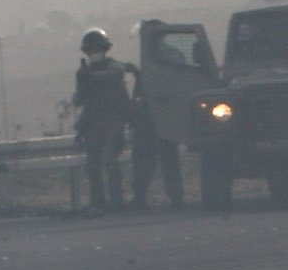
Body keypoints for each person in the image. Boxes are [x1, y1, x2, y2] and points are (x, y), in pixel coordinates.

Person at [131, 19, 207, 210]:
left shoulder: (165, 58)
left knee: (162, 161)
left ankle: (172, 198)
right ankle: (164, 198)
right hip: (155, 117)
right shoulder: (162, 58)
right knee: (154, 161)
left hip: (161, 117)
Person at [70, 28, 136, 211]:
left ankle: (116, 202)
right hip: (94, 123)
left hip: (114, 122)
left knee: (110, 161)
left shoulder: (114, 67)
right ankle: (97, 202)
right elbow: (79, 101)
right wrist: (83, 82)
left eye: (97, 49)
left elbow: (115, 74)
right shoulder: (85, 73)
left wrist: (89, 77)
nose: (94, 54)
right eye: (91, 51)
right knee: (92, 167)